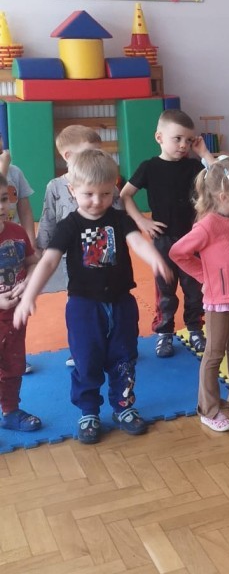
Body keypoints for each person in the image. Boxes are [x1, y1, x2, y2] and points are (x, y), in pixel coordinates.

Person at [13, 150, 172, 444]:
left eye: (105, 193)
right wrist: (29, 296)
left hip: (122, 303)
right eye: (88, 194)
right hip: (84, 307)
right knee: (86, 361)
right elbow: (48, 261)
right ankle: (89, 411)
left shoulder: (120, 219)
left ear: (114, 189)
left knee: (125, 357)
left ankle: (123, 406)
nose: (97, 201)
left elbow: (137, 242)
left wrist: (155, 259)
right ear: (72, 190)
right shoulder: (69, 226)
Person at [169, 157, 229, 432]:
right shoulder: (207, 225)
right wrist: (205, 276)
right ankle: (208, 409)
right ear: (224, 196)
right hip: (219, 301)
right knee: (214, 354)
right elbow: (178, 253)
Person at [120, 108, 210, 359]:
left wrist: (204, 153)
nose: (183, 145)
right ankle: (165, 332)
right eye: (177, 139)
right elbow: (125, 195)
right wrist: (141, 221)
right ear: (159, 137)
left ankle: (195, 328)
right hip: (164, 240)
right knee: (165, 289)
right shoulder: (149, 167)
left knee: (194, 288)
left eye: (188, 140)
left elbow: (221, 179)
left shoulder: (194, 166)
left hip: (192, 240)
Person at [39, 126, 126, 296]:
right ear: (68, 156)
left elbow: (119, 212)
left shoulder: (106, 184)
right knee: (76, 289)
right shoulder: (55, 186)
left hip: (102, 243)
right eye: (90, 152)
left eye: (99, 152)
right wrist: (42, 246)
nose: (96, 158)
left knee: (104, 285)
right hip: (70, 250)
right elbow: (48, 218)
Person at [0, 173, 41, 433]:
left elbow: (33, 263)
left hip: (15, 318)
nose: (0, 207)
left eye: (4, 199)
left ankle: (10, 411)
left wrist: (28, 283)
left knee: (13, 366)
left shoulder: (16, 233)